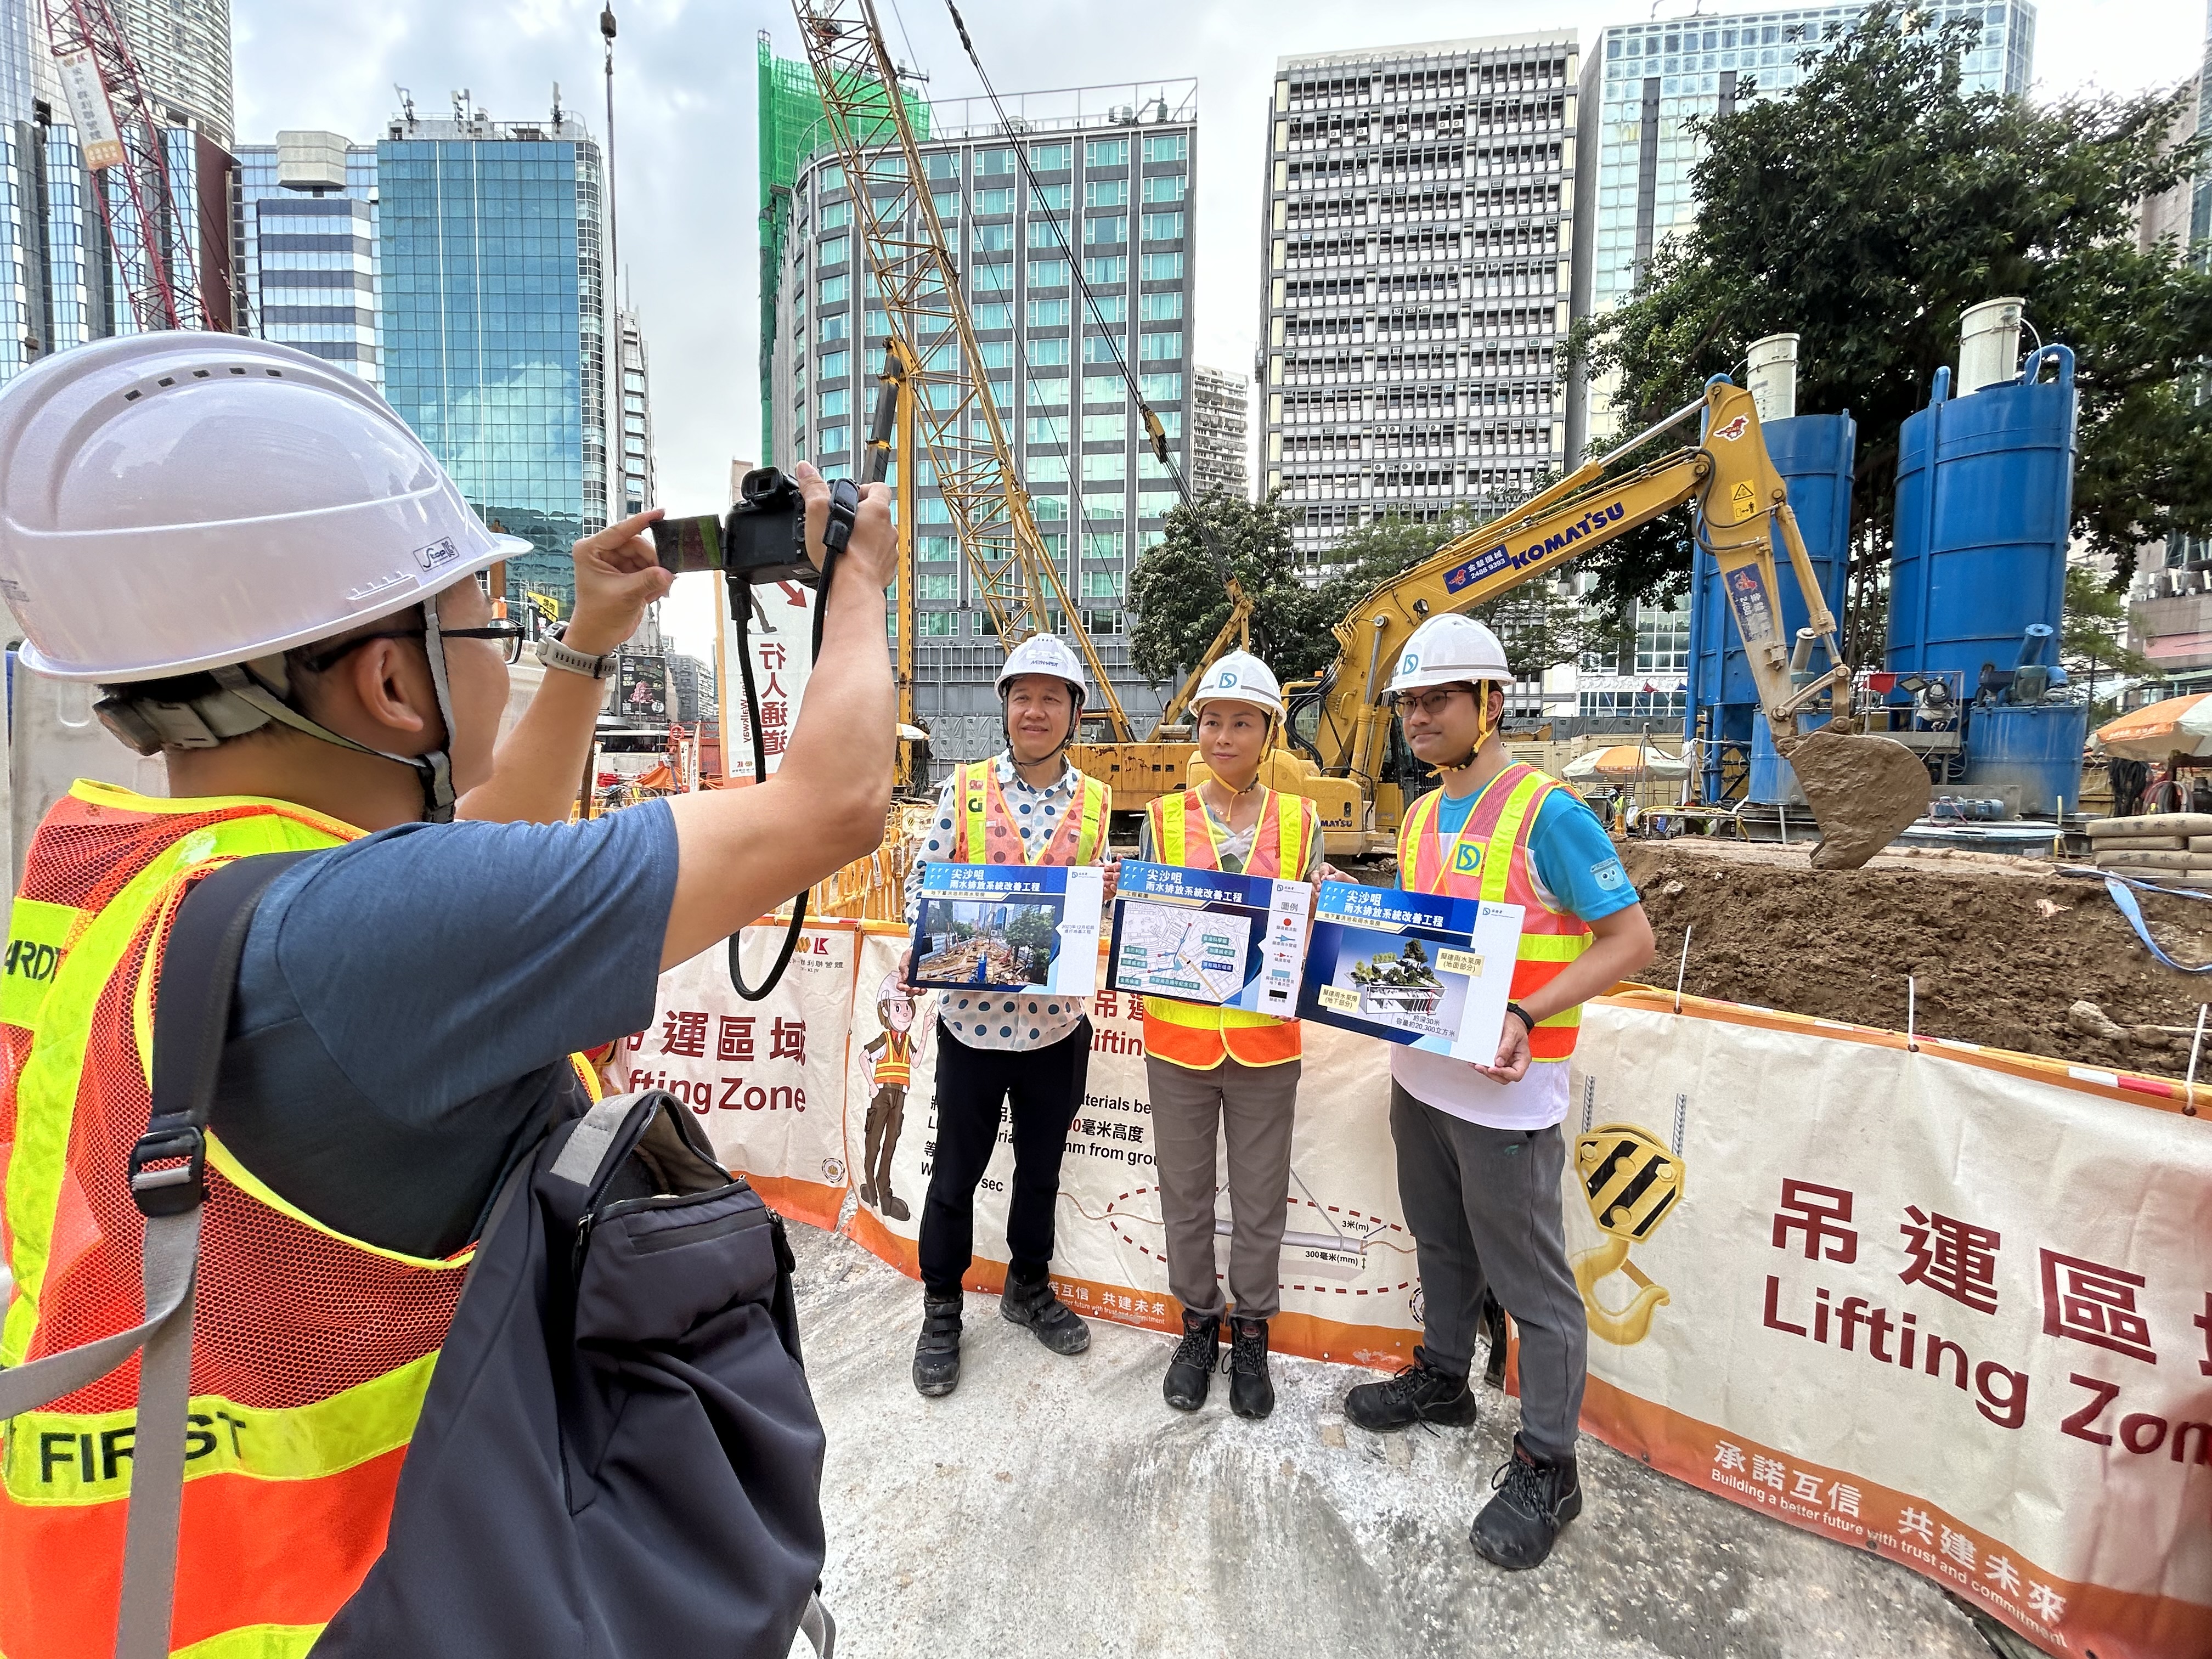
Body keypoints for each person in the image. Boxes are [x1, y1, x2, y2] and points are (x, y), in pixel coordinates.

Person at [0, 334, 897, 1654]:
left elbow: (475, 849)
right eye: (492, 624)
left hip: (142, 1584)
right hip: (366, 1598)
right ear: (394, 680)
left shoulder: (127, 866)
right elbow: (833, 802)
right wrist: (860, 582)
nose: (509, 649)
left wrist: (589, 641)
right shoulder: (361, 936)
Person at [1339, 614, 1655, 1572]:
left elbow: (1627, 941)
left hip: (1507, 1102)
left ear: (1490, 702)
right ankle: (1443, 1376)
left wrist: (1525, 1009)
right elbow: (1416, 946)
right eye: (1409, 702)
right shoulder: (1423, 812)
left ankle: (1548, 1461)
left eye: (1438, 699)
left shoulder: (1548, 811)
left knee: (1532, 1287)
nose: (1419, 717)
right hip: (1421, 1081)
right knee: (1439, 1243)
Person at [898, 634, 1114, 1397]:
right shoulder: (964, 789)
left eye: (1051, 697)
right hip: (975, 1025)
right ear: (1006, 707)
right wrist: (923, 940)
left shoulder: (1096, 801)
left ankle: (1027, 1288)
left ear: (1074, 714)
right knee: (953, 1175)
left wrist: (1105, 895)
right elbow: (921, 888)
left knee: (1041, 1172)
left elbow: (1087, 903)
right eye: (1023, 696)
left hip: (1057, 1027)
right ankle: (943, 1306)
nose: (1035, 710)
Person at [1135, 652, 1324, 1421]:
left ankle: (1251, 1331)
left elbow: (1310, 928)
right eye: (1211, 720)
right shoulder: (1160, 817)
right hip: (1177, 1044)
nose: (1222, 735)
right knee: (1184, 1196)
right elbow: (1147, 926)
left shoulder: (1301, 819)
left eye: (1241, 721)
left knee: (1257, 1201)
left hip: (1265, 1046)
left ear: (1269, 731)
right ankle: (1197, 1324)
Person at [859, 973, 917, 1220]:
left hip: (900, 1097)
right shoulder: (884, 1040)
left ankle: (885, 1194)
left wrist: (925, 1030)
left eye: (907, 1008)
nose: (904, 1013)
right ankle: (870, 1187)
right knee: (873, 1143)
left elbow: (916, 1061)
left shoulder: (908, 1041)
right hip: (882, 1094)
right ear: (885, 1011)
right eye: (898, 1007)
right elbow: (864, 1056)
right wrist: (872, 1085)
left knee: (890, 1144)